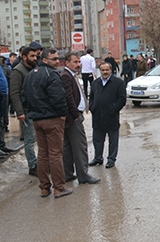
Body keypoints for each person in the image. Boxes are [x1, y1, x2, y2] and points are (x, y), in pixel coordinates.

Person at [22, 49, 72, 198]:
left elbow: (24, 97)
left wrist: (32, 112)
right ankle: (59, 187)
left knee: (42, 154)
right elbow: (58, 97)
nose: (57, 61)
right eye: (54, 59)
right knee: (55, 154)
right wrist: (63, 114)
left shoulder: (30, 75)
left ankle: (44, 187)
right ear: (44, 60)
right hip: (52, 118)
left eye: (58, 59)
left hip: (37, 119)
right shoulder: (52, 75)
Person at [60, 52, 100, 185]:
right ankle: (83, 175)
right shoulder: (66, 76)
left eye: (79, 62)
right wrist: (76, 115)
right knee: (79, 145)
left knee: (68, 146)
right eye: (75, 62)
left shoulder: (71, 75)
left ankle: (68, 173)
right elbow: (68, 97)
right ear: (67, 63)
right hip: (73, 116)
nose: (78, 65)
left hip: (73, 116)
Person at [89, 63, 126, 169]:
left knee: (113, 140)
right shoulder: (95, 83)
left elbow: (122, 99)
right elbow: (91, 97)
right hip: (98, 116)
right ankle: (98, 158)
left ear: (111, 70)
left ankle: (111, 159)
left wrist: (113, 109)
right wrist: (93, 107)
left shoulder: (118, 83)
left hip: (111, 116)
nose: (105, 72)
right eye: (102, 70)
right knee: (97, 139)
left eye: (107, 70)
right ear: (100, 71)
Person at [10, 47, 39, 176]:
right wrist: (19, 111)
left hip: (37, 109)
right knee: (30, 139)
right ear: (24, 56)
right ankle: (32, 165)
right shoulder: (18, 71)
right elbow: (14, 93)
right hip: (26, 110)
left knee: (39, 138)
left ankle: (41, 163)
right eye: (32, 56)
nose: (35, 58)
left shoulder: (35, 68)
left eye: (36, 56)